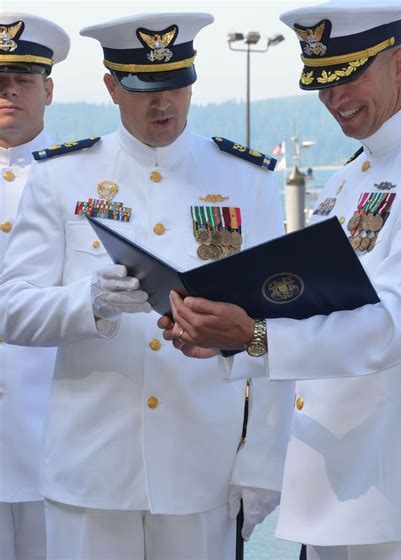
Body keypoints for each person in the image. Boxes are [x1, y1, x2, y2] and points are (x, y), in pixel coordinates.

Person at [159, 1, 401, 558]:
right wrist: (223, 336)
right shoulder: (350, 177)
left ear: (399, 64)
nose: (335, 99)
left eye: (351, 77)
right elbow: (311, 305)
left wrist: (254, 336)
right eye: (323, 85)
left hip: (400, 489)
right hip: (331, 488)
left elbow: (399, 326)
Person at [0, 12, 294, 560]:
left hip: (200, 470)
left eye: (177, 85)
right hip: (90, 473)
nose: (164, 104)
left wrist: (263, 461)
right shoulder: (62, 176)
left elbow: (274, 326)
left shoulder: (246, 179)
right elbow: (10, 309)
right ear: (112, 88)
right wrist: (84, 302)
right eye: (144, 90)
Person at [0, 13, 69, 560]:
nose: (8, 93)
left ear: (47, 88)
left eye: (21, 80)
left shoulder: (84, 181)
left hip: (57, 435)